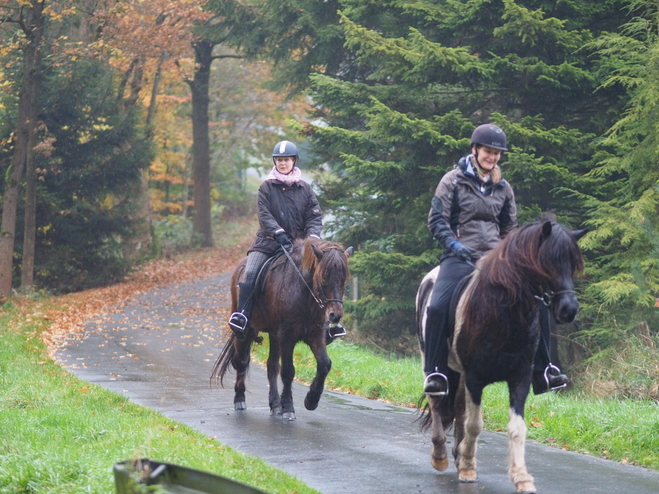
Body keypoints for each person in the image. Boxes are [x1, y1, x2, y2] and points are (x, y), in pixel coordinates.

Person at [423, 123, 568, 396]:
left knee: (537, 299)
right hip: (458, 255)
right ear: (475, 150)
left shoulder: (503, 187)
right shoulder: (452, 180)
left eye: (497, 153)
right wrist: (454, 244)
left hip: (494, 258)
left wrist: (509, 256)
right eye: (488, 151)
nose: (492, 157)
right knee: (439, 306)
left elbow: (509, 229)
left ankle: (545, 368)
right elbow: (436, 220)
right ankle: (435, 371)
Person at [228, 140, 323, 340]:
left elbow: (314, 216)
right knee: (250, 272)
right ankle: (242, 315)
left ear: (293, 161)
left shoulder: (305, 189)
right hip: (268, 243)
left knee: (323, 273)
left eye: (286, 160)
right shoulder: (266, 188)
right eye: (279, 160)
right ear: (275, 162)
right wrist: (277, 231)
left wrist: (312, 238)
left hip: (298, 246)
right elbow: (264, 215)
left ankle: (326, 324)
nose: (282, 163)